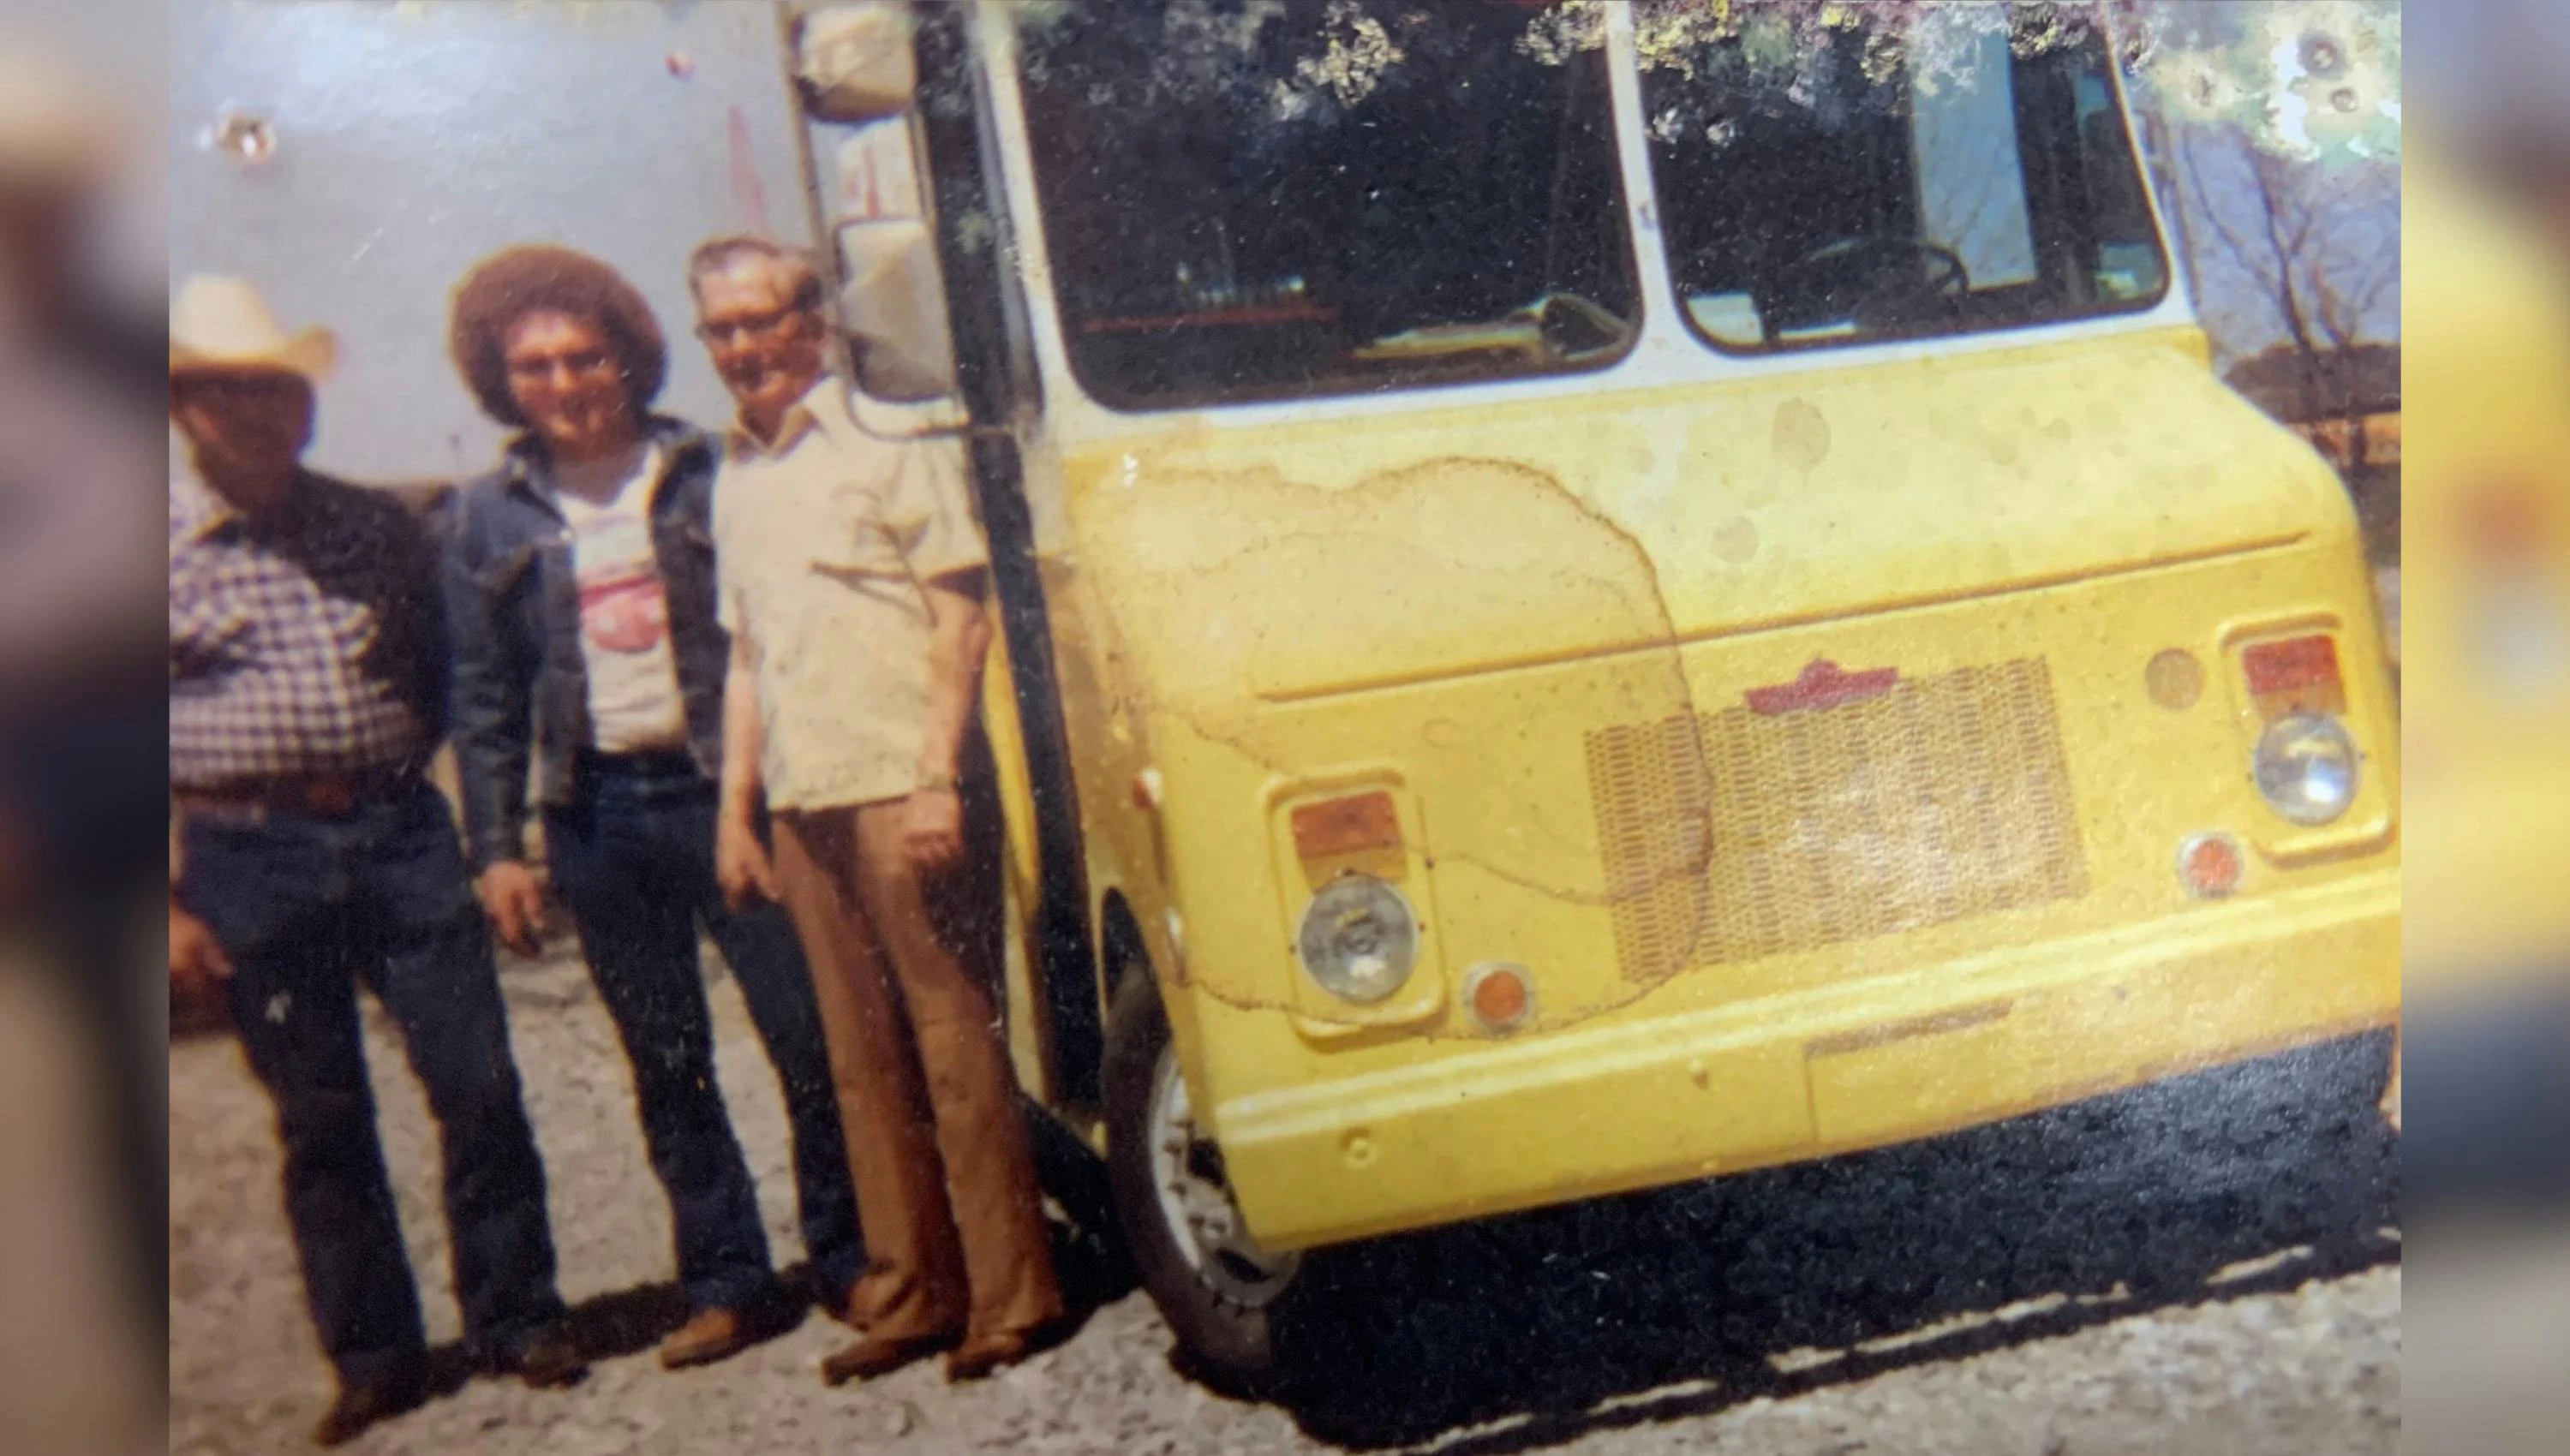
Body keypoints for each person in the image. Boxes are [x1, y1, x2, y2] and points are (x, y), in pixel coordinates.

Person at [166, 277, 585, 1447]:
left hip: (398, 833)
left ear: (303, 406)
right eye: (227, 392)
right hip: (246, 853)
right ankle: (376, 1358)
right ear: (182, 409)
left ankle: (518, 1315)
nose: (256, 412)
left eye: (276, 390)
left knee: (477, 1080)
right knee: (319, 1113)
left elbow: (454, 680)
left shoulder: (376, 528)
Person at [442, 245, 863, 1368]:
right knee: (666, 1061)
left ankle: (851, 1255)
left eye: (586, 356)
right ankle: (727, 1281)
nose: (566, 380)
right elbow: (482, 699)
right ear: (500, 378)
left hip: (726, 794)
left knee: (805, 1035)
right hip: (595, 814)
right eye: (535, 365)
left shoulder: (704, 467)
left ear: (628, 358)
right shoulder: (484, 517)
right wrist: (499, 849)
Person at [689, 235, 1066, 1384]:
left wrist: (936, 779)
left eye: (764, 320)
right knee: (859, 1059)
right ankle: (910, 1294)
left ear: (813, 320)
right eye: (723, 329)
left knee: (953, 1043)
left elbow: (961, 619)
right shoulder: (736, 475)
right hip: (806, 797)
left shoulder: (886, 441)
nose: (746, 346)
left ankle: (1014, 1295)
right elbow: (747, 658)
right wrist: (735, 812)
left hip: (909, 787)